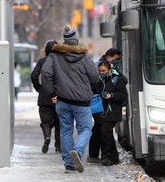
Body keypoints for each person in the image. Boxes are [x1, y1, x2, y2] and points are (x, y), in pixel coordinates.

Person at [41, 25, 99, 173]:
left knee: (66, 131)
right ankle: (78, 152)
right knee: (85, 129)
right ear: (77, 39)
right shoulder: (85, 57)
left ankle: (69, 164)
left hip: (62, 101)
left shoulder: (54, 56)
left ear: (65, 41)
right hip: (82, 102)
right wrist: (90, 89)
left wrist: (52, 93)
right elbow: (94, 76)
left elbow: (45, 74)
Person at [87, 60, 127, 166]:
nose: (102, 73)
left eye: (104, 70)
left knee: (105, 132)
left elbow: (123, 95)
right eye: (100, 71)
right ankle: (114, 158)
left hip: (113, 111)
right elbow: (92, 91)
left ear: (109, 70)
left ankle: (107, 157)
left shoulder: (118, 79)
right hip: (100, 111)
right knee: (106, 133)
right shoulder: (96, 80)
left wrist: (111, 96)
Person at [31, 40, 60, 154]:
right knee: (60, 123)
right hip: (59, 95)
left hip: (44, 96)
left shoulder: (42, 61)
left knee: (45, 121)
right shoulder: (61, 62)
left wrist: (39, 88)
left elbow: (34, 76)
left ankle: (47, 137)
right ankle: (58, 146)